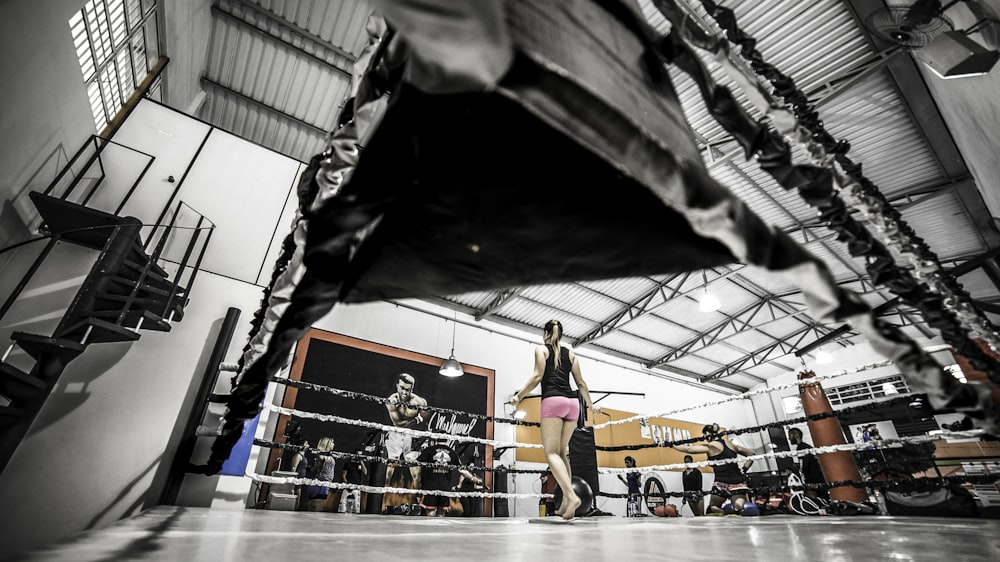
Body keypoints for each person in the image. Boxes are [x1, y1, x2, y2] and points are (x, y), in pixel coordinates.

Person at [510, 319, 600, 520]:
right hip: (573, 404)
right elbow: (581, 383)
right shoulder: (572, 353)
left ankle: (571, 495)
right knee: (561, 452)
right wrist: (591, 405)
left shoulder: (541, 349)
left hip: (553, 401)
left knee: (551, 453)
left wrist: (519, 396)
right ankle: (567, 505)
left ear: (545, 333)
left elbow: (537, 376)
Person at [672, 424, 754, 514]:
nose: (704, 438)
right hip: (737, 482)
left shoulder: (711, 446)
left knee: (712, 508)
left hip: (721, 483)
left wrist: (671, 445)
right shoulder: (731, 444)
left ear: (708, 434)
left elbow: (689, 449)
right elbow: (751, 454)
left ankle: (726, 514)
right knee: (738, 507)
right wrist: (744, 469)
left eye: (704, 435)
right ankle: (735, 510)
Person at [417, 431, 479, 517]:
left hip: (431, 487)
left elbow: (415, 463)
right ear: (447, 439)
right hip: (444, 488)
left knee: (430, 514)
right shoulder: (452, 452)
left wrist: (400, 463)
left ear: (436, 438)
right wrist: (472, 478)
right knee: (441, 514)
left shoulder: (429, 450)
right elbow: (461, 470)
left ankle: (431, 530)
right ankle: (440, 530)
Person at [385, 372, 428, 487]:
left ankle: (418, 500)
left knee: (416, 472)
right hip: (396, 434)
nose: (404, 392)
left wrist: (424, 437)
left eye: (408, 390)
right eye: (402, 388)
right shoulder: (392, 401)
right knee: (389, 469)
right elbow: (399, 424)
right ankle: (383, 497)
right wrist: (417, 419)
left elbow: (426, 416)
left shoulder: (420, 402)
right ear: (397, 386)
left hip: (412, 435)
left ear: (412, 389)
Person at [787, 427, 827, 499]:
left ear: (796, 435)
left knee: (814, 500)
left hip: (813, 480)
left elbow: (804, 466)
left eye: (790, 435)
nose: (789, 438)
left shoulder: (802, 447)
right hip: (817, 478)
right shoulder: (805, 446)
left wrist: (798, 469)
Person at [339, 446, 368, 513]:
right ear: (355, 455)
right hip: (348, 487)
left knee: (356, 507)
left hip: (357, 488)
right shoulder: (348, 463)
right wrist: (347, 484)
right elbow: (343, 475)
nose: (359, 456)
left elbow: (365, 472)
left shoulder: (360, 464)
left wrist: (361, 462)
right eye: (358, 455)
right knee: (343, 505)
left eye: (361, 455)